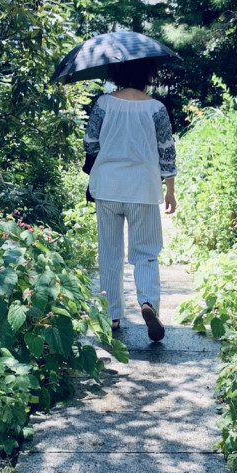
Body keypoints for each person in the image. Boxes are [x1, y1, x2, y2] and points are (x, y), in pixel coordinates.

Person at [83, 58, 177, 341]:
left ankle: (112, 315)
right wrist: (170, 190)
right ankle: (148, 303)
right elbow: (167, 151)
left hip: (107, 186)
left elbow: (90, 143)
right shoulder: (156, 108)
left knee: (110, 252)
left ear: (118, 73)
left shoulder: (103, 103)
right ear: (148, 75)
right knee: (146, 251)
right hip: (143, 189)